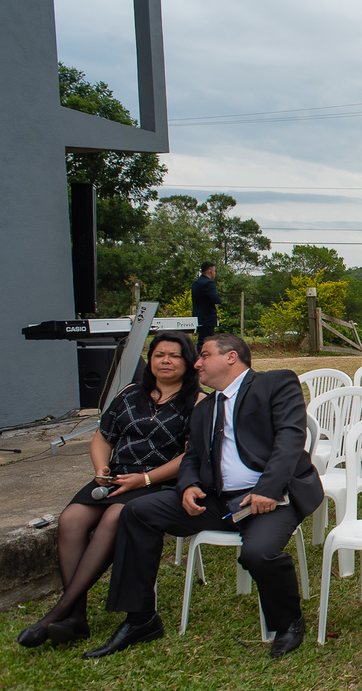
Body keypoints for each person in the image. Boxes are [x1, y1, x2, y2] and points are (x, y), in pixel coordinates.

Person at [84, 334, 322, 659]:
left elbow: (290, 438)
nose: (196, 363)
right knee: (137, 511)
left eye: (204, 355)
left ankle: (288, 621)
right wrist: (189, 485)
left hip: (272, 497)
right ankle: (140, 618)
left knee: (257, 554)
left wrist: (268, 488)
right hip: (218, 501)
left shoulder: (276, 384)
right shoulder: (205, 406)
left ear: (231, 357)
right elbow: (193, 456)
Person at [17, 332, 203, 648]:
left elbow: (191, 456)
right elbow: (104, 438)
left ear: (189, 362)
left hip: (159, 483)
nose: (166, 361)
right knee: (72, 519)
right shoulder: (131, 393)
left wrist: (144, 480)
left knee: (114, 517)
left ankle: (60, 613)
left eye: (174, 355)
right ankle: (76, 616)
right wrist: (101, 468)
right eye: (159, 355)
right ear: (151, 360)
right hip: (115, 476)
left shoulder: (199, 402)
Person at [191, 262, 222, 347]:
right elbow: (214, 299)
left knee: (201, 341)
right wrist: (220, 300)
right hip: (207, 317)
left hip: (198, 316)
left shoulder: (195, 283)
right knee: (208, 342)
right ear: (211, 271)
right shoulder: (209, 283)